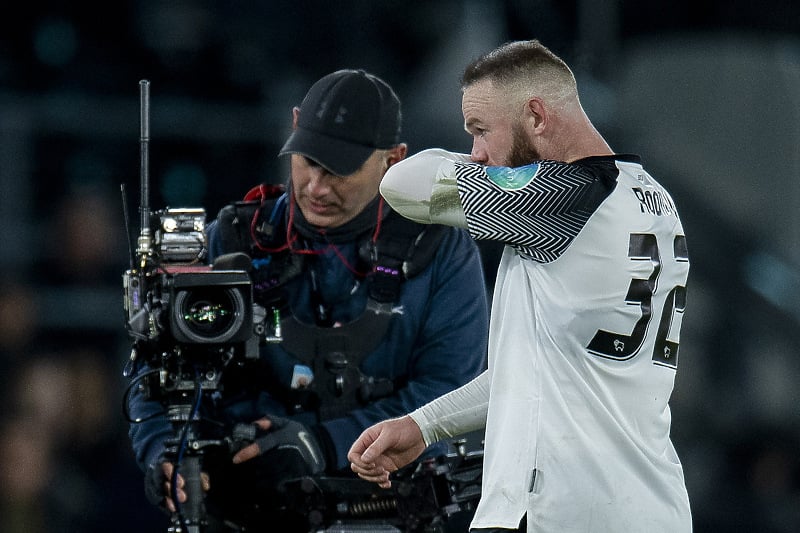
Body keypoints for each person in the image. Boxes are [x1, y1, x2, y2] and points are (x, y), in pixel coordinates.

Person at [348, 39, 693, 533]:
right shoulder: (653, 196)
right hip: (653, 507)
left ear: (536, 115)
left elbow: (402, 183)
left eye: (481, 130)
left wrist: (490, 174)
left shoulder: (556, 199)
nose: (478, 153)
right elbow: (540, 377)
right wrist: (424, 426)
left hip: (563, 511)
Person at [125, 69, 489, 531]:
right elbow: (157, 369)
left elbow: (448, 396)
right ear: (294, 128)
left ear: (393, 159)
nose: (317, 186)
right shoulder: (235, 239)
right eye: (309, 161)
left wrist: (325, 443)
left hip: (384, 510)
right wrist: (163, 452)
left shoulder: (441, 250)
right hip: (245, 508)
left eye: (341, 170)